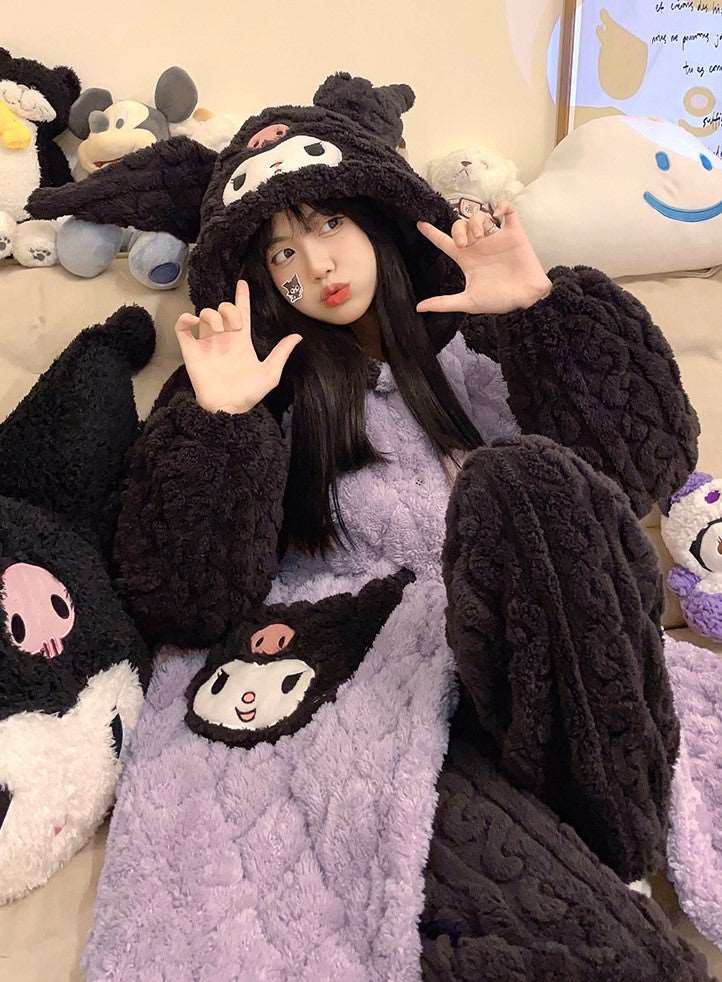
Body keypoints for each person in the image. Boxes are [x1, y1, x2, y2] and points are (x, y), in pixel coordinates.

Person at [28, 73, 707, 982]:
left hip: (544, 660)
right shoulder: (249, 387)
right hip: (372, 680)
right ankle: (604, 857)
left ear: (374, 216)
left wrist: (539, 313)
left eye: (327, 224)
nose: (313, 264)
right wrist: (223, 424)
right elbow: (181, 600)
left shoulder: (483, 344)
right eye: (280, 252)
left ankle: (605, 827)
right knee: (616, 952)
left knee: (526, 482)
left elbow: (639, 474)